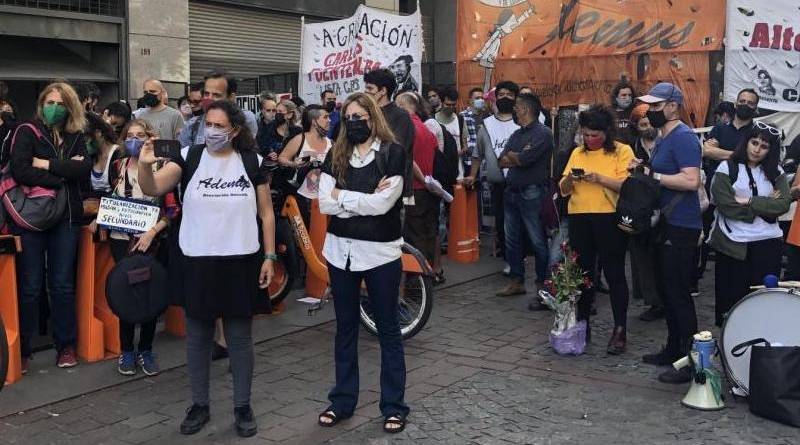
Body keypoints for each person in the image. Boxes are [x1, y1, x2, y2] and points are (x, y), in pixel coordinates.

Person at [137, 100, 275, 437]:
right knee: (197, 338)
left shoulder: (251, 161)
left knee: (240, 339)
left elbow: (267, 213)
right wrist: (144, 165)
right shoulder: (190, 157)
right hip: (196, 259)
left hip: (241, 260)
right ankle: (200, 404)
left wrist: (270, 257)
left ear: (235, 130)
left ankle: (243, 407)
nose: (211, 131)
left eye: (219, 125)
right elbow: (152, 187)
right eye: (208, 124)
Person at [316, 92, 409, 434]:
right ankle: (342, 400)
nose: (354, 122)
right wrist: (361, 198)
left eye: (360, 116)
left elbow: (384, 205)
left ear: (373, 118)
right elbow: (324, 203)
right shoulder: (335, 155)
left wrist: (344, 197)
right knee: (344, 328)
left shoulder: (392, 153)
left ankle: (394, 405)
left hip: (380, 254)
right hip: (340, 252)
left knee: (388, 330)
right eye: (349, 117)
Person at [9, 82, 91, 372]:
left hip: (67, 218)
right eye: (49, 101)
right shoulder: (26, 131)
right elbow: (20, 169)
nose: (54, 107)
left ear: (70, 107)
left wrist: (45, 165)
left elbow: (84, 171)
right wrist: (61, 174)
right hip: (31, 218)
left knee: (62, 284)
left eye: (60, 103)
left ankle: (65, 346)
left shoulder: (76, 135)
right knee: (30, 285)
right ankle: (24, 349)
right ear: (41, 103)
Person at [636, 83, 703, 384]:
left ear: (673, 106)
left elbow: (690, 181)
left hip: (682, 224)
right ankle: (674, 349)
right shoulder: (664, 138)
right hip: (667, 222)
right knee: (666, 290)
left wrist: (653, 174)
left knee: (678, 294)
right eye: (649, 106)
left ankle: (691, 360)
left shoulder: (684, 137)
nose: (650, 111)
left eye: (656, 105)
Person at [102, 119, 178, 376]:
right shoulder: (118, 166)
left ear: (149, 138)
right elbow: (111, 197)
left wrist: (152, 232)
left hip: (151, 240)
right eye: (130, 135)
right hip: (121, 239)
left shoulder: (162, 167)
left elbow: (172, 210)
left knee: (148, 293)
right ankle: (126, 350)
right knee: (126, 292)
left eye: (140, 135)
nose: (134, 140)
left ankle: (145, 349)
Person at [559, 105, 633, 353]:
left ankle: (620, 329)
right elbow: (563, 188)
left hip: (609, 218)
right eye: (586, 134)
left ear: (607, 132)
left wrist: (599, 178)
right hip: (580, 217)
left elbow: (626, 185)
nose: (590, 139)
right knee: (583, 274)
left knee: (614, 273)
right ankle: (582, 324)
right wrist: (571, 179)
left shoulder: (622, 151)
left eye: (595, 135)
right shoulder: (577, 153)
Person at [709, 124, 790, 327]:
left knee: (762, 300)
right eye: (754, 143)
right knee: (732, 302)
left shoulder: (776, 172)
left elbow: (782, 204)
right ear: (746, 142)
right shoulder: (727, 168)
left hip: (767, 244)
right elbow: (725, 204)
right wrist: (764, 206)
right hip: (734, 246)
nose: (756, 149)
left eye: (763, 146)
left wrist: (749, 201)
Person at [494, 93, 552, 297]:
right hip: (511, 192)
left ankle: (542, 283)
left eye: (517, 106)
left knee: (537, 240)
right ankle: (517, 281)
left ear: (526, 109)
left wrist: (516, 157)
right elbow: (501, 160)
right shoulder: (517, 135)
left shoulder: (543, 133)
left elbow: (525, 159)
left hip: (532, 193)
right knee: (511, 239)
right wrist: (515, 157)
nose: (514, 110)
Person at [464, 81, 520, 264]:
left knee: (521, 224)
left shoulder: (522, 123)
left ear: (516, 98)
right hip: (497, 184)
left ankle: (519, 258)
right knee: (502, 223)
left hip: (519, 183)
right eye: (501, 94)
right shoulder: (486, 125)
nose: (505, 97)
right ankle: (508, 259)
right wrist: (472, 175)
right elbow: (477, 154)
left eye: (509, 94)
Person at [627, 104, 664, 322]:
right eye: (642, 124)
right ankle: (651, 299)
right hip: (642, 206)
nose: (647, 127)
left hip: (664, 204)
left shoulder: (665, 143)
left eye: (649, 123)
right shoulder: (631, 147)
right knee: (641, 254)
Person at [396, 92, 440, 268]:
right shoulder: (426, 129)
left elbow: (409, 159)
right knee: (428, 232)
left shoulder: (407, 129)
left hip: (414, 188)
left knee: (414, 235)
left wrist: (422, 179)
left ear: (402, 106)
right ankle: (428, 274)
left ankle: (417, 279)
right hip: (427, 189)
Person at [364, 68, 415, 200]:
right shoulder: (365, 113)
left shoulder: (401, 116)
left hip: (391, 187)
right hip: (366, 186)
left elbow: (397, 151)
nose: (365, 92)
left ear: (383, 91)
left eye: (370, 89)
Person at [179, 70, 258, 148]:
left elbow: (248, 151)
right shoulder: (192, 124)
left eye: (216, 95)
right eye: (206, 94)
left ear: (231, 97)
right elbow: (183, 156)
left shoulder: (246, 118)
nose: (209, 99)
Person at [278, 104, 332, 206]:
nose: (329, 120)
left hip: (325, 200)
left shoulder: (331, 143)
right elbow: (282, 158)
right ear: (314, 122)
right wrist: (293, 164)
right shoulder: (300, 139)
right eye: (325, 117)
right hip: (302, 199)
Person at [85, 112, 124, 198]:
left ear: (99, 133)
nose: (84, 143)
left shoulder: (119, 155)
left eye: (86, 138)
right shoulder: (89, 156)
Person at [610, 81, 636, 146]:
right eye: (624, 95)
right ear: (616, 97)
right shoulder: (608, 113)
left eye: (630, 95)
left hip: (633, 151)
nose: (627, 98)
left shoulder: (636, 112)